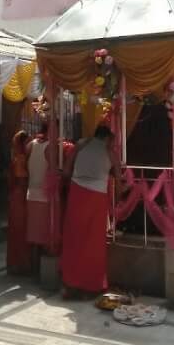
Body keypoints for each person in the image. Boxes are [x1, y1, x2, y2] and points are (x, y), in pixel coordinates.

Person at [61, 124, 114, 298]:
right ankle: (91, 285)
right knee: (94, 242)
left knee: (74, 238)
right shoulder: (109, 151)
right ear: (107, 138)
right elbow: (119, 177)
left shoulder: (81, 144)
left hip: (77, 193)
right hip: (97, 198)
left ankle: (71, 283)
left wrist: (70, 180)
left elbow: (67, 168)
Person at [6, 130, 32, 275]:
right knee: (21, 232)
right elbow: (22, 181)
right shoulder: (21, 160)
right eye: (27, 142)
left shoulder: (17, 158)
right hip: (20, 197)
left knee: (16, 232)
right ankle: (21, 264)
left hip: (16, 197)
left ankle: (15, 263)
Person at [25, 124, 52, 265]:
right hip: (44, 195)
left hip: (31, 193)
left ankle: (33, 264)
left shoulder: (30, 145)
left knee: (33, 233)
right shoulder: (50, 147)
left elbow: (25, 165)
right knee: (43, 234)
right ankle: (40, 265)